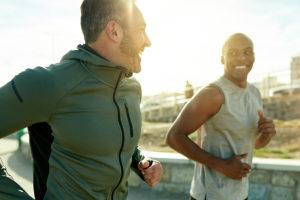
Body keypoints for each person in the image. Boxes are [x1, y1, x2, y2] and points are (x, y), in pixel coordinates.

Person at [0, 0, 163, 199]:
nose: (148, 41)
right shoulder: (48, 83)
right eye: (141, 30)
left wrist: (141, 161)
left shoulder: (131, 89)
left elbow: (107, 139)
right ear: (114, 31)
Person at [166, 33, 276, 200]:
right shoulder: (213, 94)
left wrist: (266, 136)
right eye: (233, 53)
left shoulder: (255, 93)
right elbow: (174, 137)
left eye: (247, 52)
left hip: (240, 194)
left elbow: (253, 144)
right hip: (209, 195)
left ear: (253, 56)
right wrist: (222, 166)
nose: (241, 58)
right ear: (222, 59)